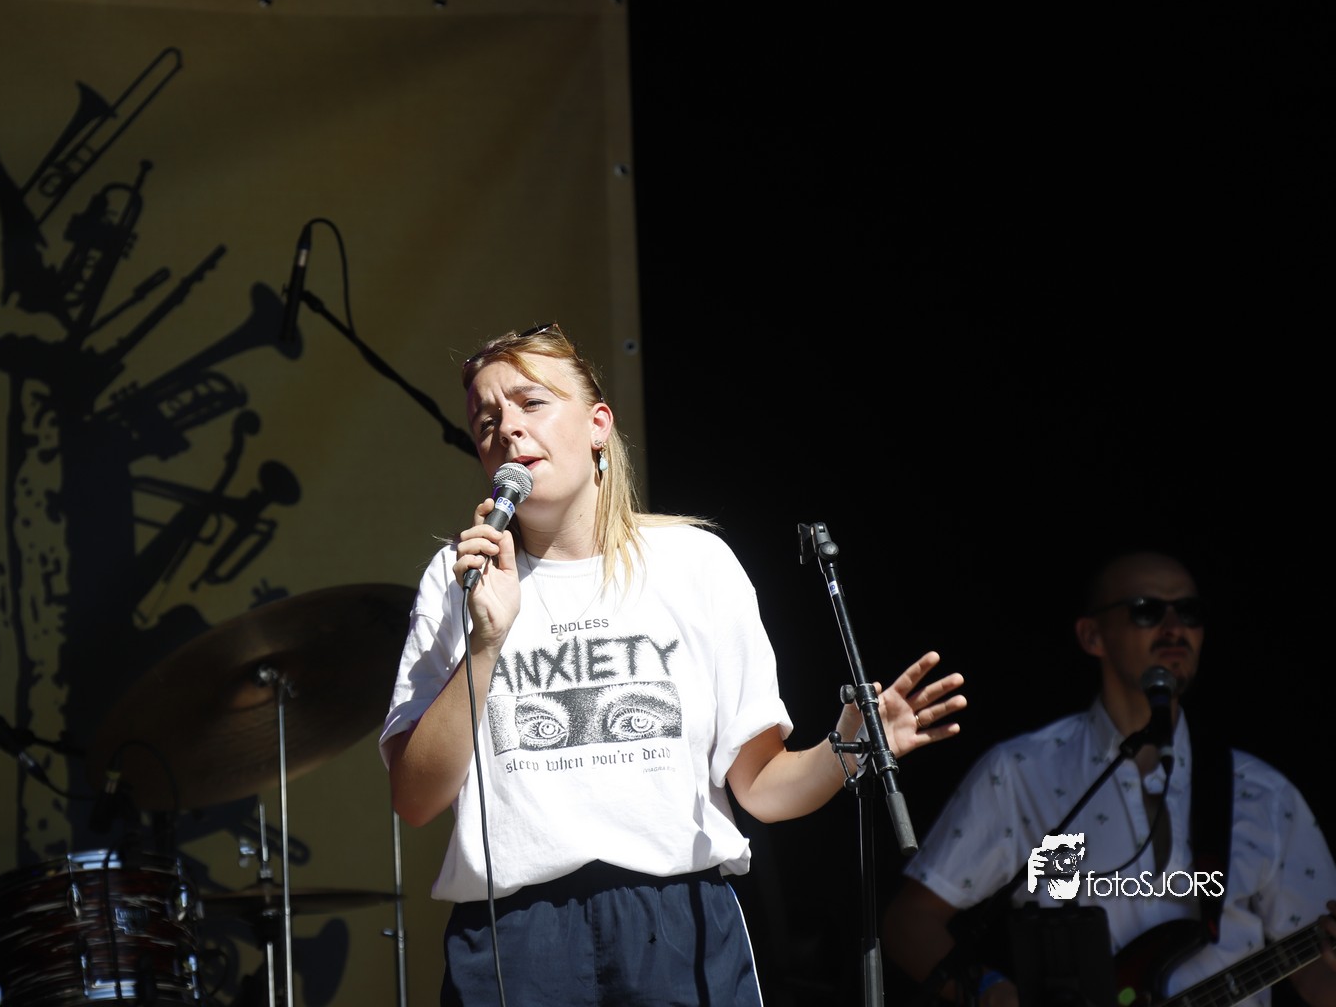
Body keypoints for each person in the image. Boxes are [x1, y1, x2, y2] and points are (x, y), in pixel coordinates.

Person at [379, 324, 967, 1005]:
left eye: (531, 402)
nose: (507, 428)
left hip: (679, 921)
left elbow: (760, 788)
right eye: (486, 422)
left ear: (599, 425)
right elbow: (415, 799)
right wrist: (484, 643)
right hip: (516, 934)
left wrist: (850, 747)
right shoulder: (458, 578)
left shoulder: (694, 563)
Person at [882, 550, 1336, 1006]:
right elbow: (909, 921)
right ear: (1092, 635)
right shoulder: (1020, 772)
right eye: (1147, 610)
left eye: (1189, 611)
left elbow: (1319, 979)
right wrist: (989, 991)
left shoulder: (1264, 793)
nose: (1174, 627)